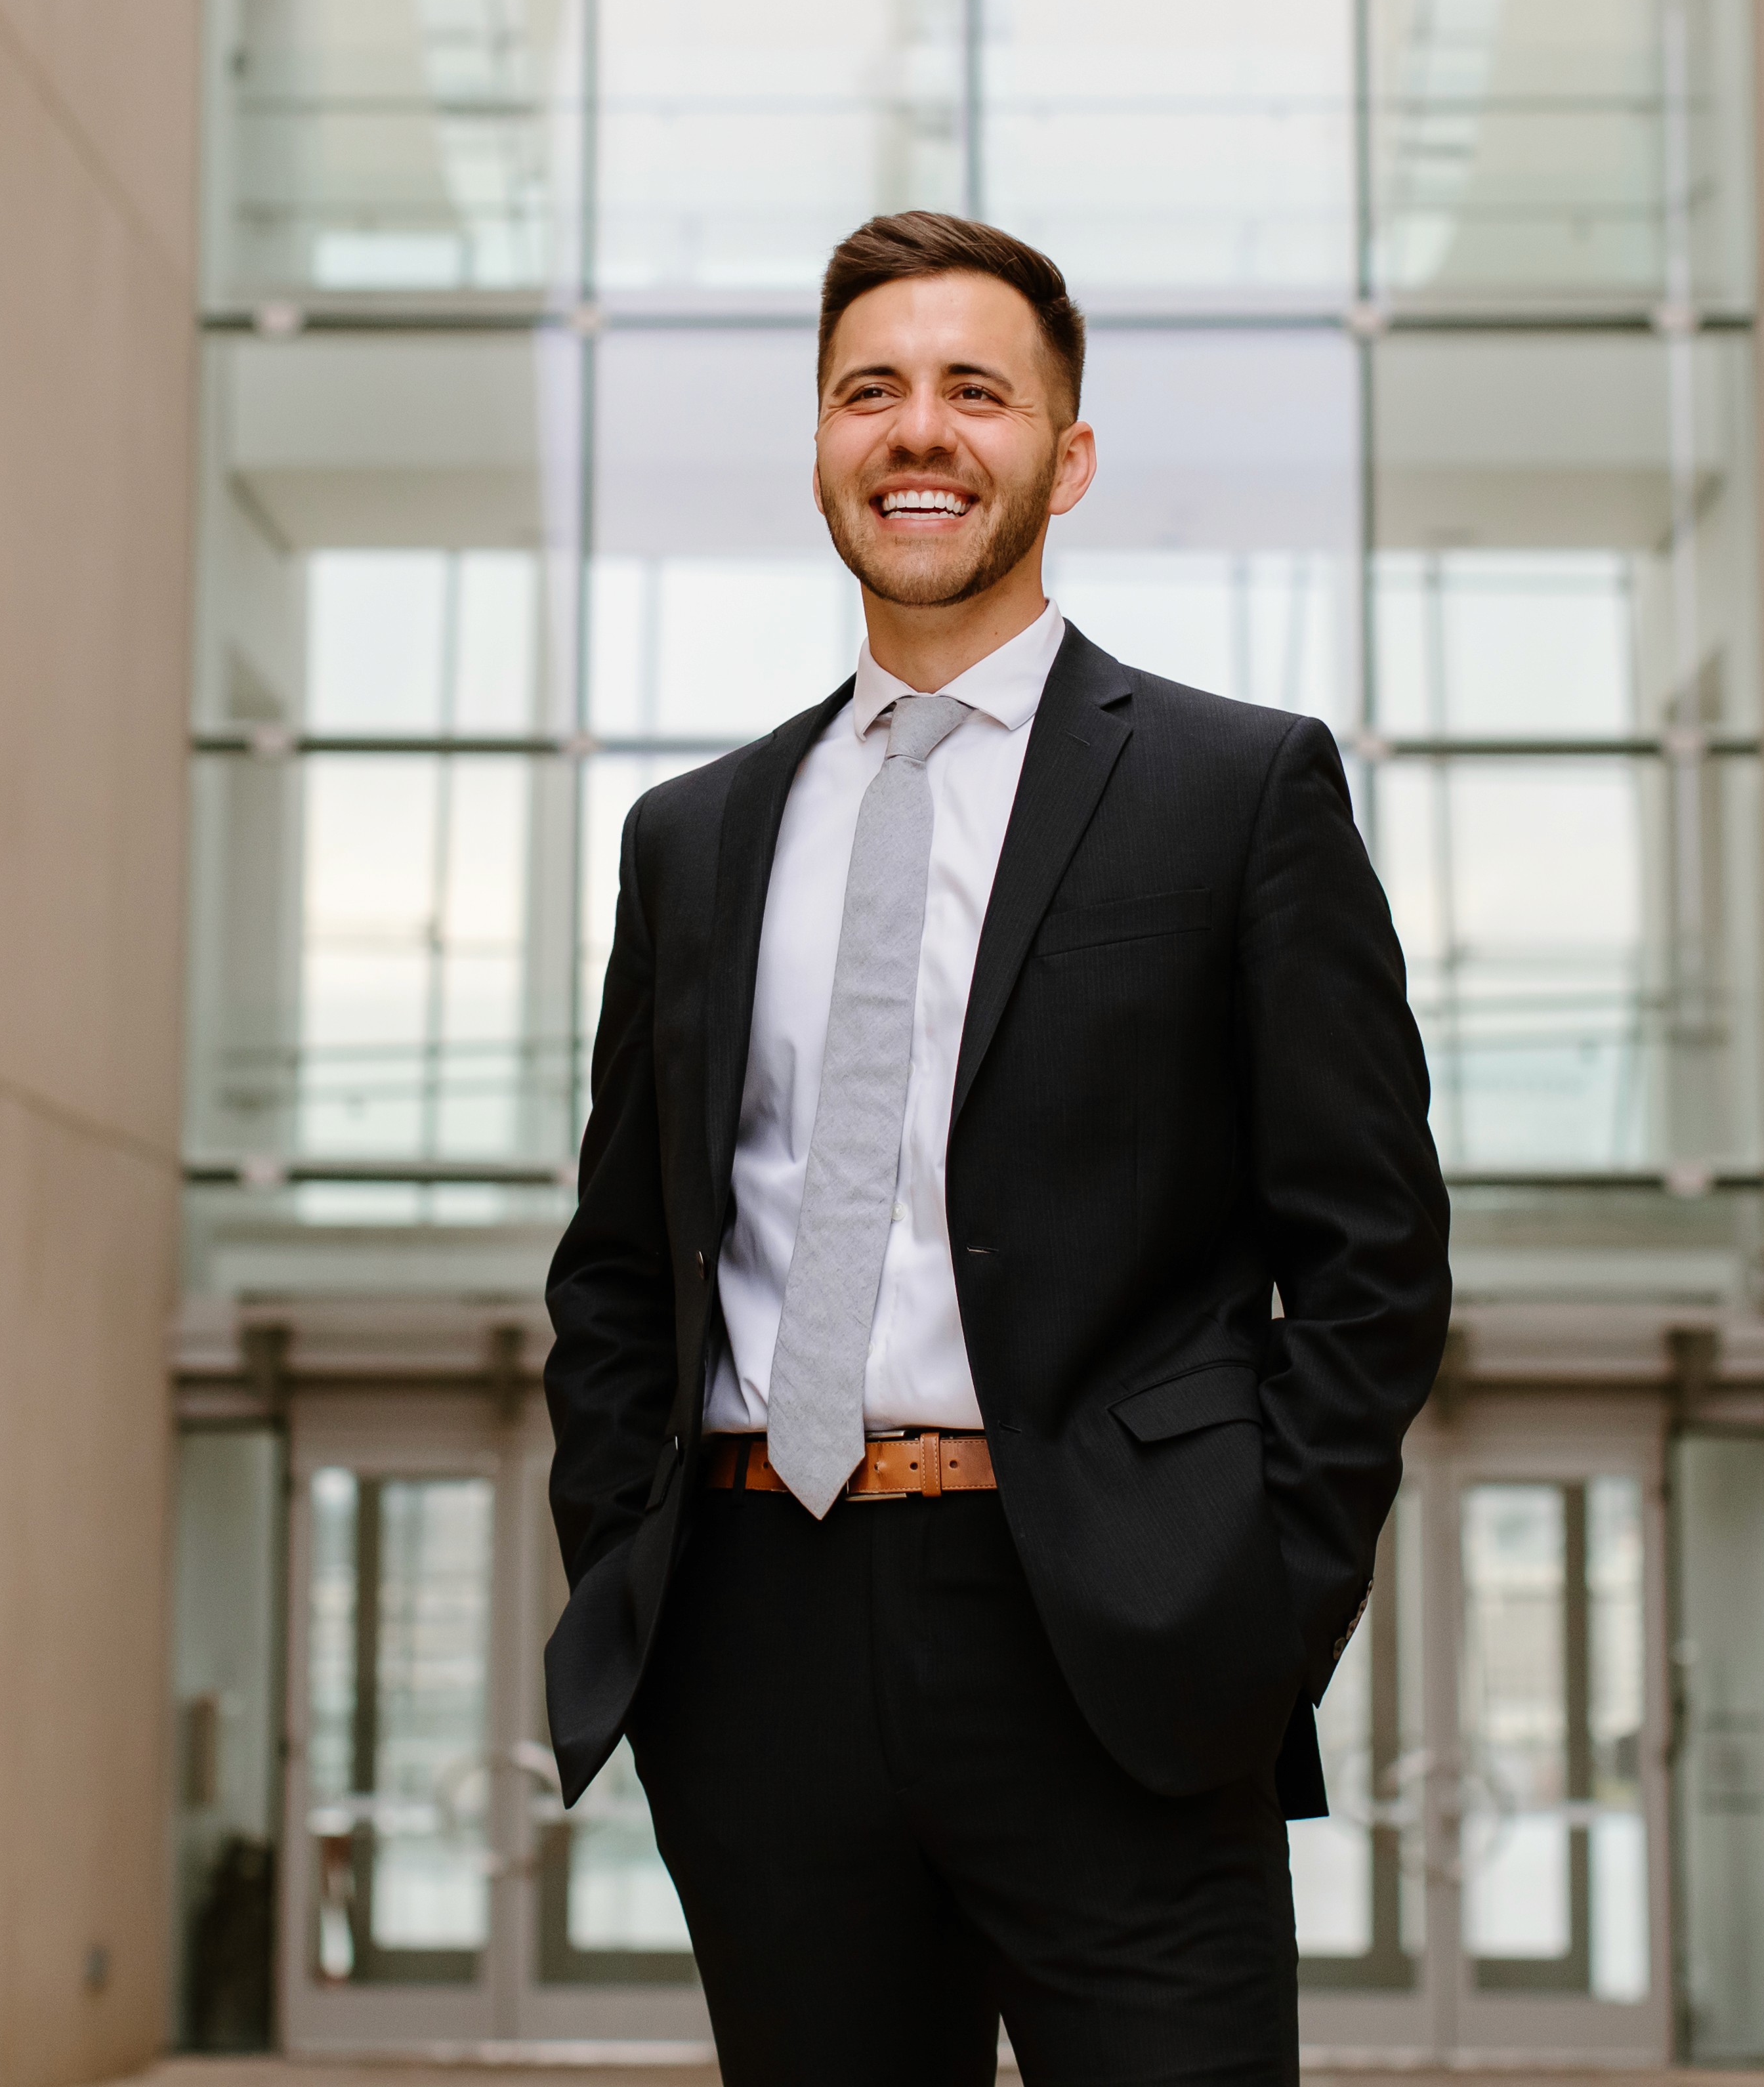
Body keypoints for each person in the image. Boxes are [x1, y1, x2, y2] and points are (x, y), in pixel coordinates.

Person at [541, 211, 1452, 2083]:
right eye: (869, 392)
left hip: (1113, 1645)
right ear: (818, 448)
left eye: (975, 390)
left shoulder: (1234, 790)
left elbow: (1370, 1249)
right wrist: (639, 1580)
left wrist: (1256, 1602)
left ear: (1067, 453)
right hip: (759, 1633)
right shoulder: (693, 837)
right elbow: (623, 1263)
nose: (918, 432)